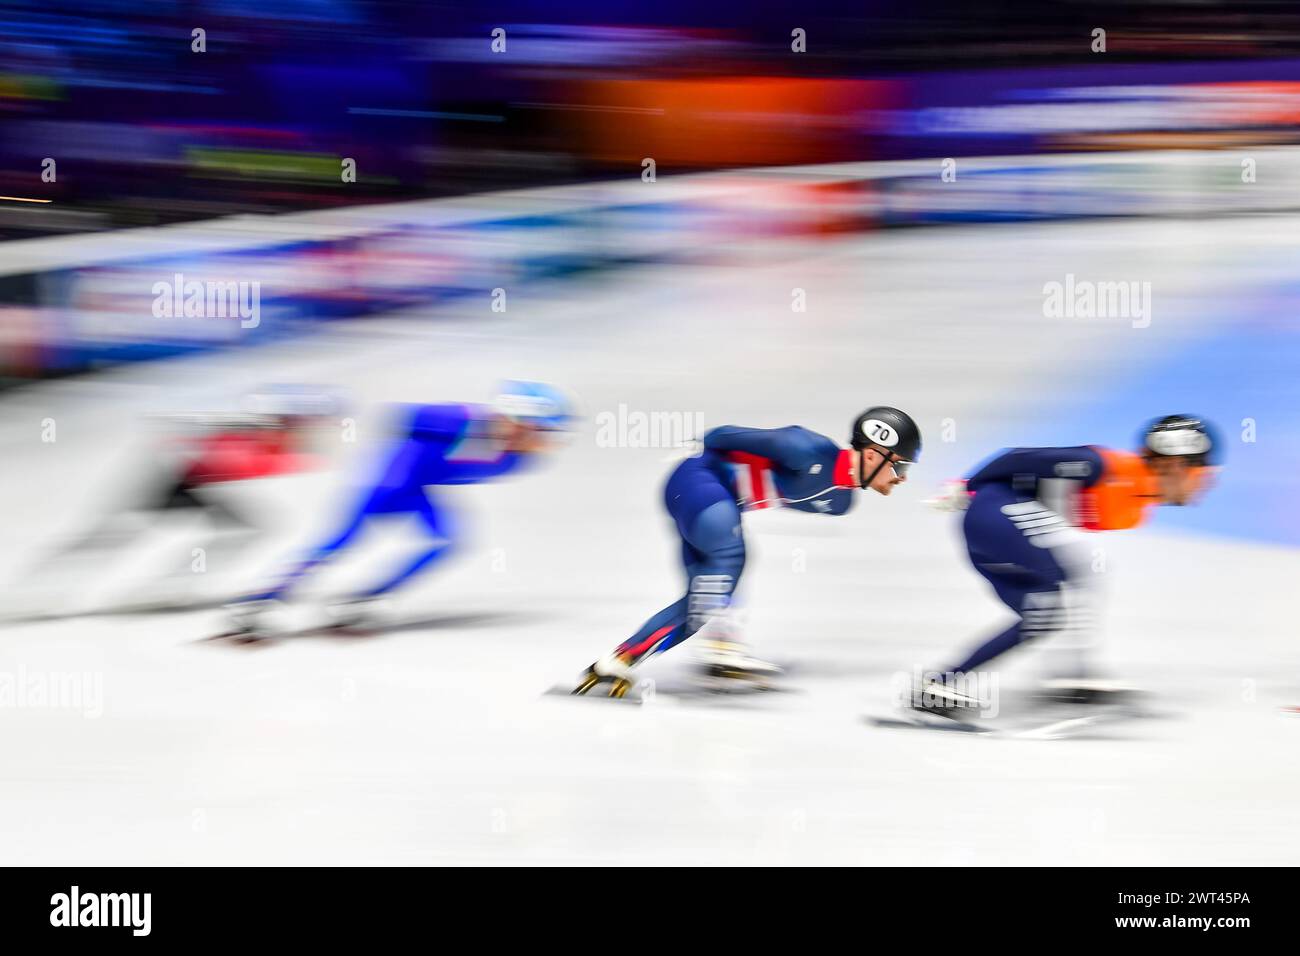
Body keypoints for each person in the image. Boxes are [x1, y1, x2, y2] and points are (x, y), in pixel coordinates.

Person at [574, 406, 922, 697]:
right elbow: (721, 435)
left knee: (705, 597)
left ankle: (715, 646)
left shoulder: (840, 500)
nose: (903, 477)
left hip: (712, 503)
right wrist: (696, 450)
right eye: (901, 466)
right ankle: (623, 656)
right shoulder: (805, 447)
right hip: (698, 481)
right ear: (874, 454)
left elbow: (770, 487)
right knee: (728, 564)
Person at [916, 414, 1221, 718]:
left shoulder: (1136, 502)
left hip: (992, 531)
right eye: (1202, 475)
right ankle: (946, 684)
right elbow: (1017, 458)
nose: (1207, 484)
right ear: (1176, 465)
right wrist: (965, 485)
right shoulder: (1106, 468)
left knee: (1050, 608)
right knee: (1055, 600)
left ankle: (950, 683)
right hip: (994, 516)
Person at [228, 381, 570, 635]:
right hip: (386, 481)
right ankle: (262, 598)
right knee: (340, 541)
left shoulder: (518, 460)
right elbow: (398, 417)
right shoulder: (462, 419)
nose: (548, 440)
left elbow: (454, 472)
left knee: (446, 541)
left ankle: (364, 597)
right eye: (544, 429)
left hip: (415, 488)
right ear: (519, 421)